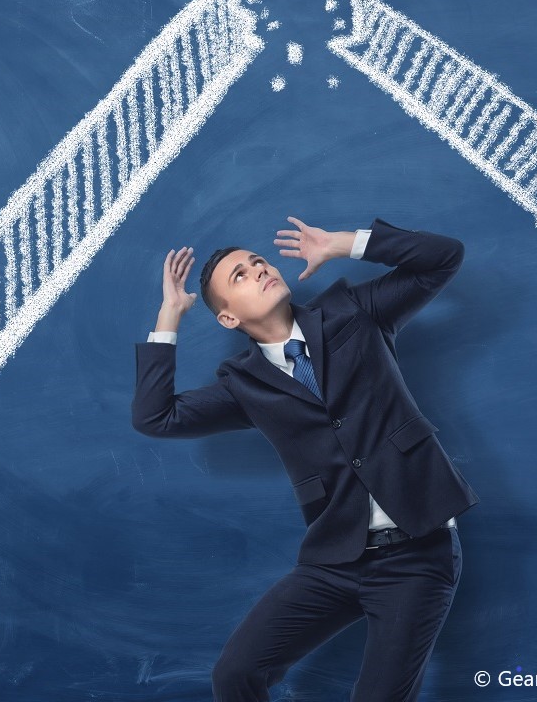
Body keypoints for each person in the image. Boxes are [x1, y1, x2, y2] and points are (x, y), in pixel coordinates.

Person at [131, 214, 480, 701]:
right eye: (240, 276)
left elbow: (443, 258)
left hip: (417, 554)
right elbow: (156, 417)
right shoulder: (243, 385)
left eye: (258, 262)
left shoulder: (352, 311)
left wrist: (342, 244)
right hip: (335, 561)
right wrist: (169, 316)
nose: (258, 270)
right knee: (234, 674)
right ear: (229, 317)